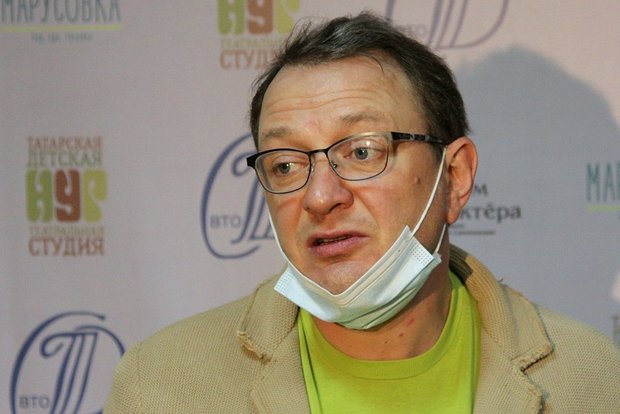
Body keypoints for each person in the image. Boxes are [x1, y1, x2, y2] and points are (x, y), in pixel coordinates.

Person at [104, 12, 620, 413]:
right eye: (285, 164)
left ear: (455, 177)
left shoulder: (593, 379)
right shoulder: (162, 385)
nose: (320, 196)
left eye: (363, 151)